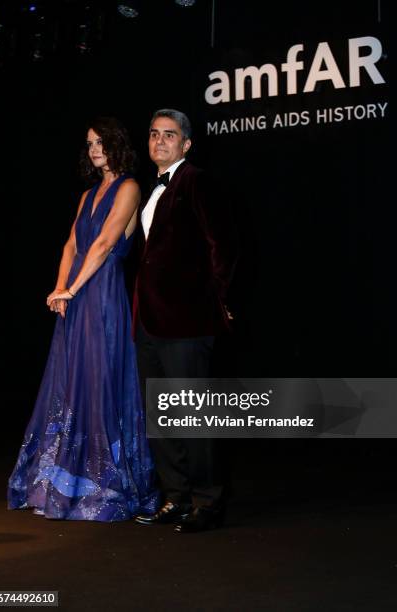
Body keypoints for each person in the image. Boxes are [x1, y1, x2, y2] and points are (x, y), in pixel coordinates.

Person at [8, 117, 159, 521]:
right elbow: (72, 244)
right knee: (71, 380)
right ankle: (61, 480)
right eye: (90, 144)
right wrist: (61, 288)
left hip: (103, 293)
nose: (94, 150)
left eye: (101, 142)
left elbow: (107, 241)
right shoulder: (89, 193)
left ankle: (103, 483)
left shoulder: (129, 186)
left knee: (99, 379)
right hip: (76, 294)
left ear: (117, 145)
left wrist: (73, 289)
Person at [133, 109, 237, 533]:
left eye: (170, 135)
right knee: (161, 417)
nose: (160, 141)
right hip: (149, 321)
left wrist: (218, 302)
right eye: (154, 134)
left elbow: (223, 247)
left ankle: (207, 501)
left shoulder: (198, 181)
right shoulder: (151, 189)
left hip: (188, 322)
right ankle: (175, 497)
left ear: (186, 144)